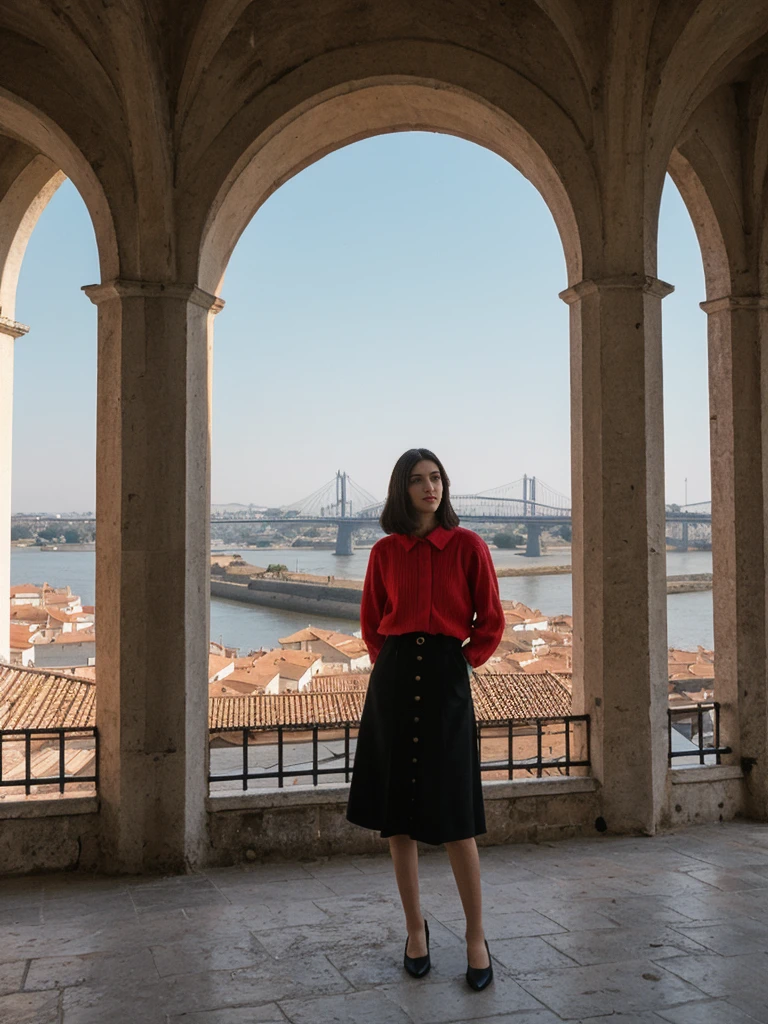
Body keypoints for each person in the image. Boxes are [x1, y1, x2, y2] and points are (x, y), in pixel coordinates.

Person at [346, 447, 505, 991]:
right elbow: (372, 623)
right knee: (400, 822)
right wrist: (392, 663)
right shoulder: (385, 552)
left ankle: (476, 937)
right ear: (402, 490)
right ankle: (416, 931)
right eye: (417, 480)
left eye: (436, 478)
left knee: (457, 819)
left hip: (445, 677)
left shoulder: (468, 546)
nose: (429, 487)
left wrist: (460, 661)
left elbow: (491, 621)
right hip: (393, 678)